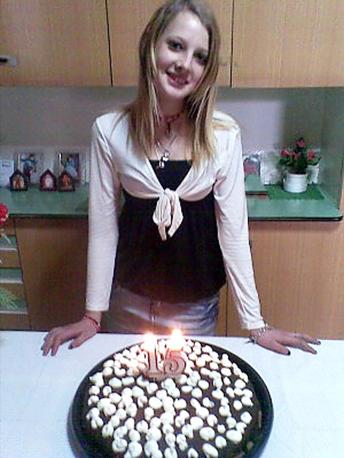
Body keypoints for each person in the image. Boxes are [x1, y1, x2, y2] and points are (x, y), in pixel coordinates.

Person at [42, 0, 320, 356]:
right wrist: (92, 316)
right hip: (127, 301)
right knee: (130, 401)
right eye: (176, 45)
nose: (185, 64)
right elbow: (103, 226)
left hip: (195, 308)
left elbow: (233, 231)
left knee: (186, 404)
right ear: (151, 45)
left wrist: (256, 324)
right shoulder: (109, 131)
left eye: (200, 56)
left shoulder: (224, 135)